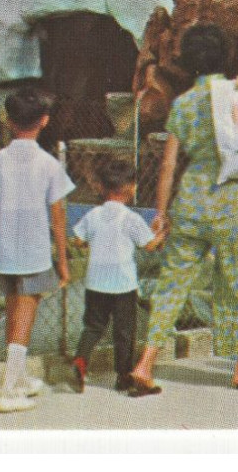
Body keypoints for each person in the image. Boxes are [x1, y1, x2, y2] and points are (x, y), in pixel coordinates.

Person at [132, 25, 238, 395]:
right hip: (226, 202)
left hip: (189, 201)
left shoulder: (183, 103)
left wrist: (160, 212)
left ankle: (146, 363)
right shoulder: (236, 96)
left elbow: (168, 164)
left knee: (171, 284)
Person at [0, 90, 73, 412]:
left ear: (8, 121)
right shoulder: (49, 164)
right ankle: (9, 392)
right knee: (25, 317)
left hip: (5, 250)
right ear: (44, 121)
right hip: (35, 250)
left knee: (14, 312)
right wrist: (64, 263)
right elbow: (58, 217)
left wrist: (5, 219)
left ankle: (20, 377)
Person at [69, 159, 161, 392]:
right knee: (124, 331)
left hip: (96, 281)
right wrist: (162, 233)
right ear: (131, 188)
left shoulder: (93, 214)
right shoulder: (131, 218)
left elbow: (78, 240)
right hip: (123, 284)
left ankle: (81, 358)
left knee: (93, 326)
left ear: (102, 187)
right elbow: (149, 245)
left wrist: (88, 243)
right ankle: (122, 376)